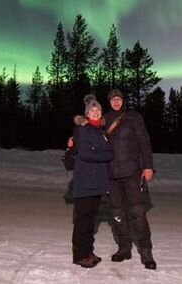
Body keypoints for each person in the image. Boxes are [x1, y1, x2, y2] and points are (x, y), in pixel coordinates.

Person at [104, 88, 157, 270]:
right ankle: (124, 248)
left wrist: (148, 166)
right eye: (113, 100)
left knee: (137, 213)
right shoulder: (106, 119)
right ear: (109, 102)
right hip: (111, 175)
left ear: (123, 100)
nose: (116, 102)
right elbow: (94, 139)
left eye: (118, 99)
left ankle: (146, 250)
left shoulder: (134, 117)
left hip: (132, 172)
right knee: (117, 214)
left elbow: (144, 141)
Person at [70, 94, 114, 268]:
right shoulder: (82, 129)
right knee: (82, 220)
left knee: (91, 221)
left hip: (96, 183)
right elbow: (87, 153)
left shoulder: (100, 131)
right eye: (92, 110)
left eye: (98, 109)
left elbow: (101, 151)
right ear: (87, 113)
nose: (95, 112)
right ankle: (80, 255)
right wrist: (107, 155)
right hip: (85, 182)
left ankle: (88, 251)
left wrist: (103, 152)